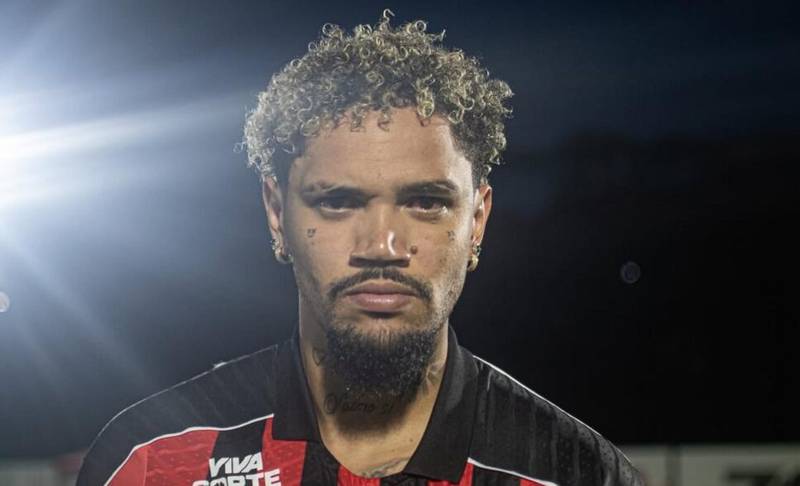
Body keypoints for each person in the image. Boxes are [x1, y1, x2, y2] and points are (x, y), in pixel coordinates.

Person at [77, 11, 643, 486]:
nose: (382, 245)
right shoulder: (148, 462)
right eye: (338, 202)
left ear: (477, 220)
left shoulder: (578, 474)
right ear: (276, 213)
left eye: (426, 202)